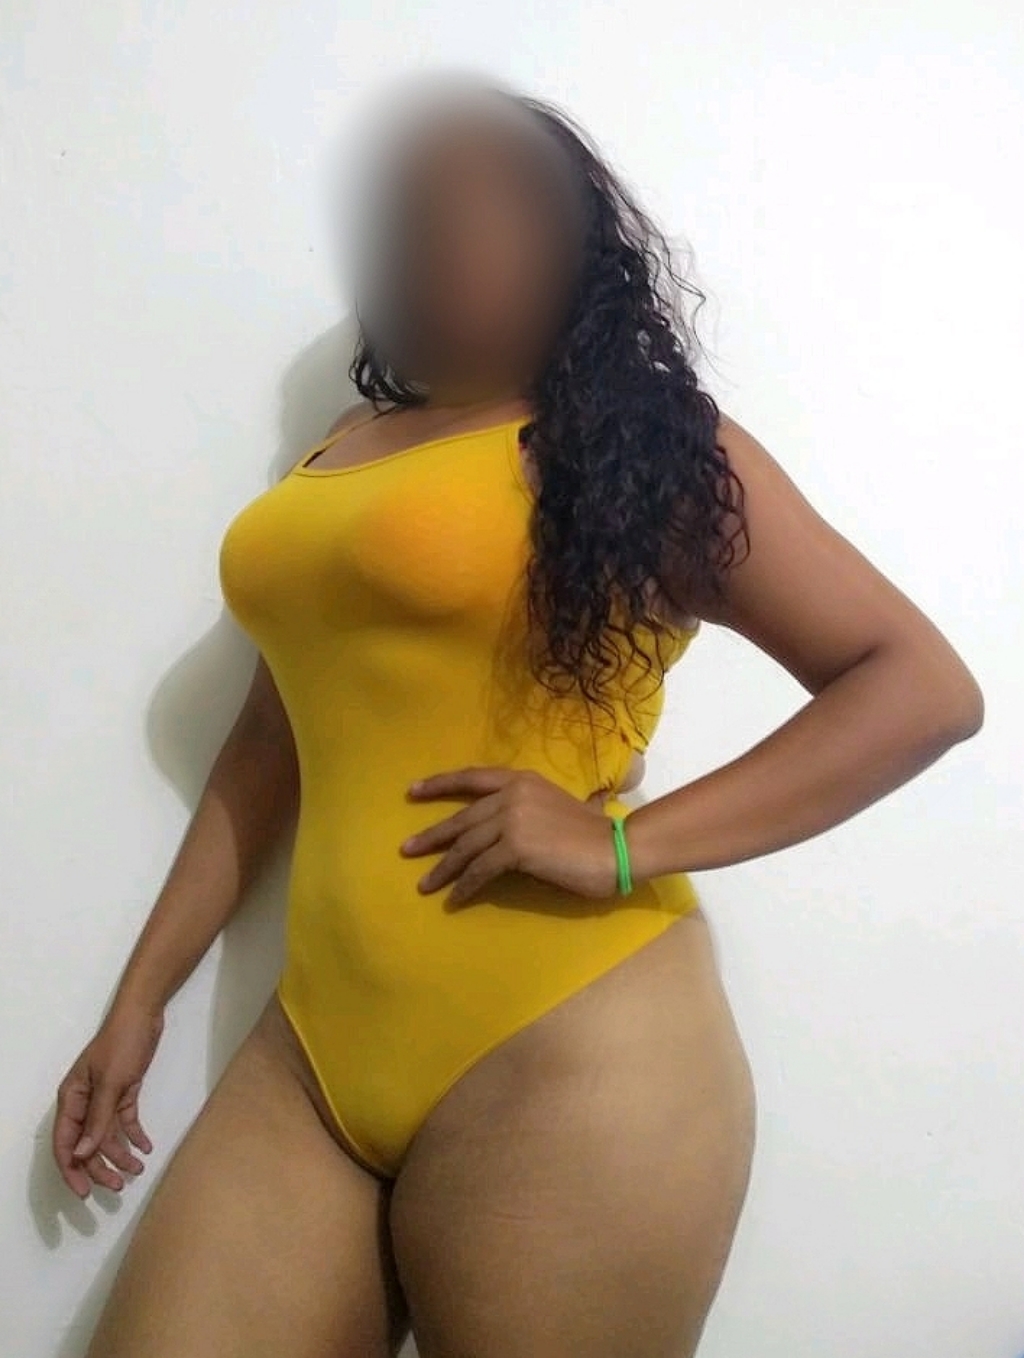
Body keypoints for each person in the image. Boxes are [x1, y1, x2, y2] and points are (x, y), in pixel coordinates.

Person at [54, 75, 984, 1358]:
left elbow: (917, 686)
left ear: (576, 237)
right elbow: (273, 744)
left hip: (569, 1046)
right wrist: (140, 999)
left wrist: (623, 843)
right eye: (414, 203)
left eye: (494, 196)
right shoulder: (344, 443)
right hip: (315, 1054)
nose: (444, 226)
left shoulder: (641, 442)